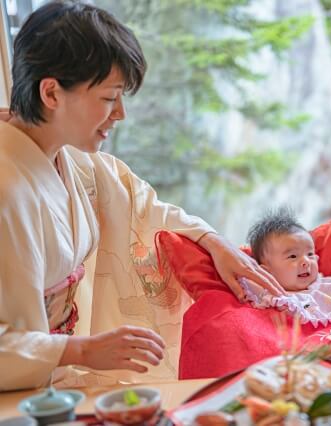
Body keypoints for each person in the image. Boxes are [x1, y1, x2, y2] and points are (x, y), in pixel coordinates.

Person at [0, 1, 283, 391]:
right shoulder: (6, 192)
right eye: (108, 98)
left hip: (54, 375)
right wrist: (78, 351)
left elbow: (141, 206)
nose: (120, 114)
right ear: (51, 92)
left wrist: (212, 241)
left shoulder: (68, 158)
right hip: (21, 391)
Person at [244, 208, 331, 327]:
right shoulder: (266, 298)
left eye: (310, 254)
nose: (306, 261)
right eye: (293, 256)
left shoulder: (328, 287)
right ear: (267, 272)